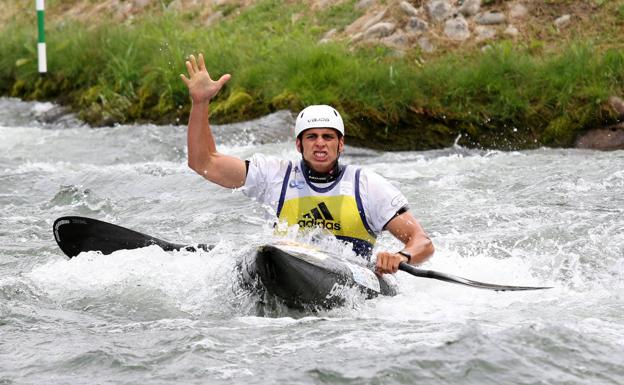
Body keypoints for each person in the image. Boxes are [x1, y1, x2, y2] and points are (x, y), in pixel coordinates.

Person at [180, 53, 434, 274]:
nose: (320, 143)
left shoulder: (367, 185)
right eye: (311, 137)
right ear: (299, 145)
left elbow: (421, 241)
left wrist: (401, 257)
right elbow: (204, 162)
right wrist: (200, 103)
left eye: (328, 137)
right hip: (287, 264)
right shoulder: (273, 175)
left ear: (341, 144)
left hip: (349, 275)